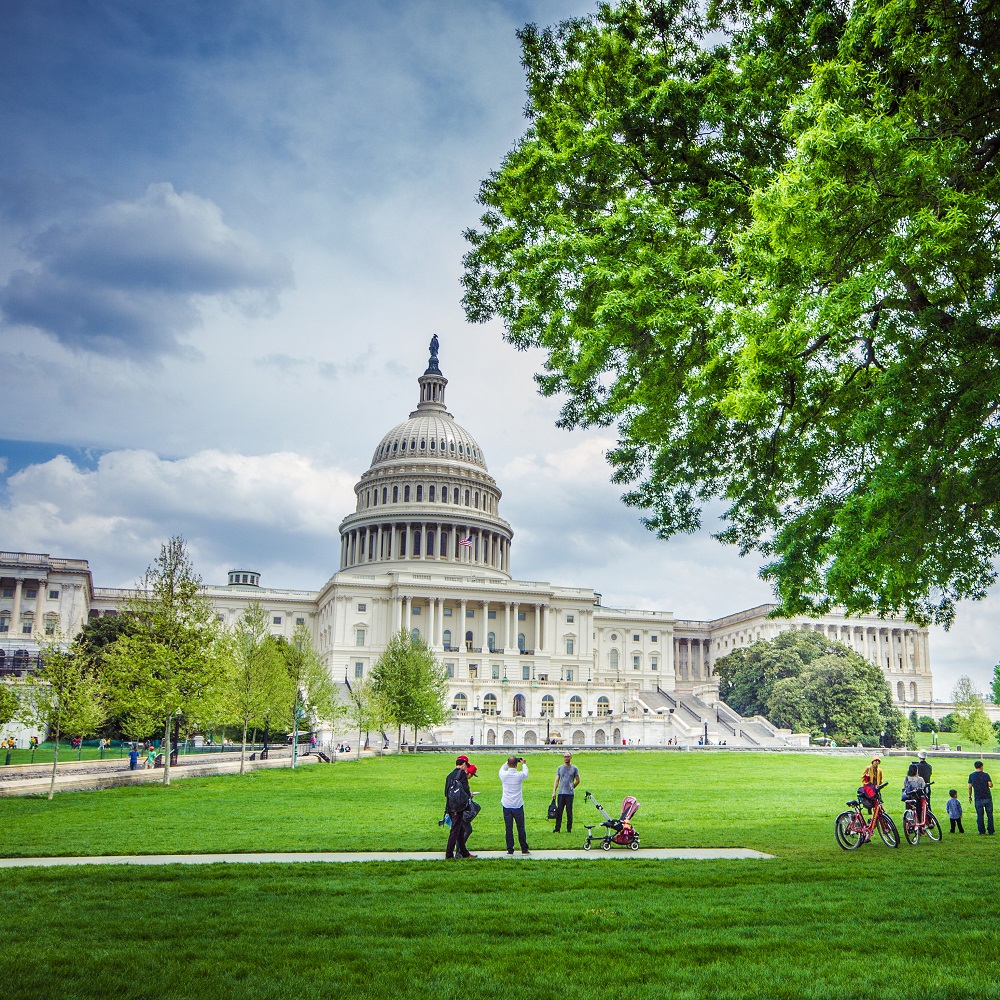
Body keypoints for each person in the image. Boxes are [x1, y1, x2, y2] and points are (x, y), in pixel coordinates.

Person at [444, 755, 475, 859]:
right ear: (464, 764)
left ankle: (464, 853)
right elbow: (465, 789)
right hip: (458, 807)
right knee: (455, 831)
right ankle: (449, 855)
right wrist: (469, 794)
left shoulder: (450, 775)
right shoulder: (461, 774)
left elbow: (446, 793)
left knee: (460, 830)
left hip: (450, 806)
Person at [499, 755, 530, 855]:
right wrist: (524, 764)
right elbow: (526, 773)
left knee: (509, 828)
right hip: (517, 804)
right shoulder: (519, 775)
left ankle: (510, 849)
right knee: (521, 827)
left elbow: (502, 768)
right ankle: (524, 848)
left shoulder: (503, 775)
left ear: (508, 764)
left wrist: (506, 763)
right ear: (516, 765)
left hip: (506, 804)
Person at [551, 752, 580, 834]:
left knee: (569, 812)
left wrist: (572, 786)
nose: (566, 758)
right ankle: (557, 828)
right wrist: (554, 791)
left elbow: (578, 780)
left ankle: (569, 829)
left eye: (567, 757)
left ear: (571, 757)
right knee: (559, 811)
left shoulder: (574, 768)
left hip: (569, 794)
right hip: (561, 793)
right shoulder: (560, 768)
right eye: (565, 757)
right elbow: (557, 780)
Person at [968, 761, 994, 835]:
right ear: (982, 766)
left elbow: (970, 787)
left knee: (980, 815)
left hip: (978, 798)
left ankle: (981, 831)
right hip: (987, 797)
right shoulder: (986, 775)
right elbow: (990, 785)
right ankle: (991, 830)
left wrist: (970, 796)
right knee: (989, 815)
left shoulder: (971, 775)